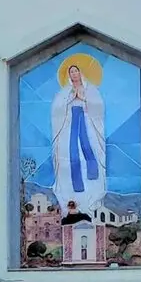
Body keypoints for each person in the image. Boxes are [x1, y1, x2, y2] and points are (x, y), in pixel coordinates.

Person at [50, 54, 107, 216]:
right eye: (71, 72)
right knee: (71, 155)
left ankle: (92, 192)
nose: (74, 74)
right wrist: (70, 100)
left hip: (87, 123)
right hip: (69, 125)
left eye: (76, 71)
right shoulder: (64, 92)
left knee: (89, 152)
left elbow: (98, 107)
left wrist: (83, 98)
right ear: (68, 76)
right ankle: (73, 194)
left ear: (81, 73)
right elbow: (56, 110)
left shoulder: (91, 90)